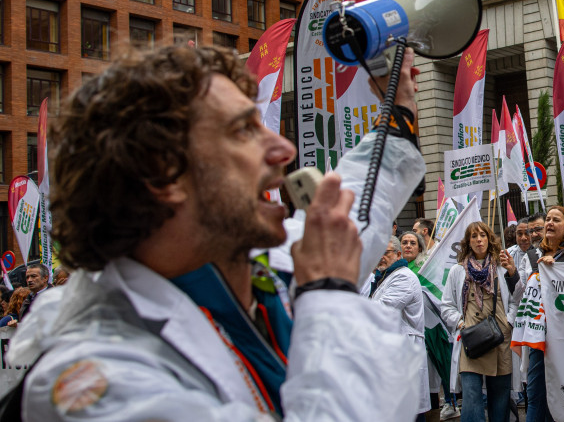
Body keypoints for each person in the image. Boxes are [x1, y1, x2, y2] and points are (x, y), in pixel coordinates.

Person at [12, 44, 426, 420]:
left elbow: (357, 201)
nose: (284, 150)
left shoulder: (267, 269)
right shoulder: (99, 380)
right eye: (244, 130)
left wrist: (400, 108)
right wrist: (330, 294)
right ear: (163, 175)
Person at [440, 222, 517, 422]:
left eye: (482, 235)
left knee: (500, 396)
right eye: (474, 236)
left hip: (500, 339)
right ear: (468, 242)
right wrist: (460, 323)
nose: (479, 240)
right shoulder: (458, 271)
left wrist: (508, 322)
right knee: (472, 396)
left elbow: (517, 299)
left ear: (489, 238)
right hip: (471, 341)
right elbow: (446, 305)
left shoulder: (501, 267)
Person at [527, 206, 564, 422]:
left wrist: (556, 270)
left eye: (556, 220)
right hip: (538, 336)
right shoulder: (533, 256)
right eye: (548, 219)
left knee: (563, 394)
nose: (549, 223)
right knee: (535, 395)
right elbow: (522, 294)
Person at [369, 234, 431, 417]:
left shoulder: (403, 277)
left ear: (398, 255)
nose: (381, 256)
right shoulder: (384, 277)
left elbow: (380, 310)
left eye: (386, 252)